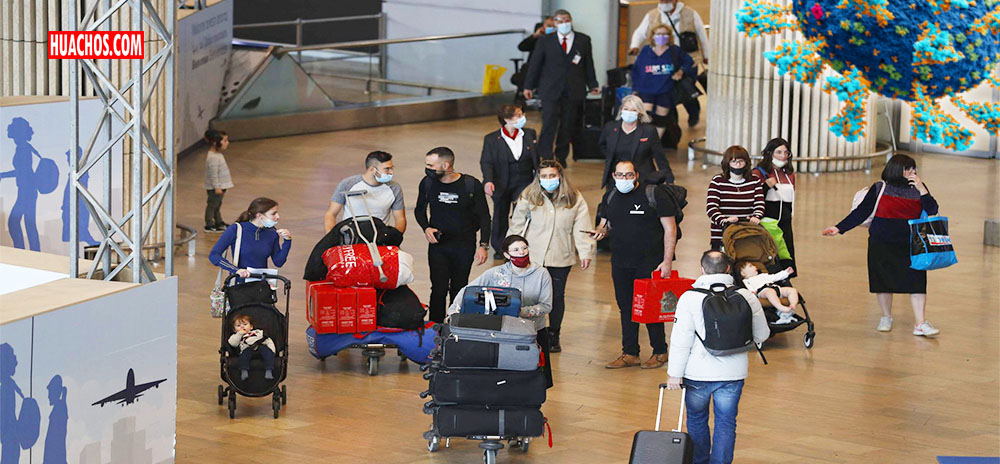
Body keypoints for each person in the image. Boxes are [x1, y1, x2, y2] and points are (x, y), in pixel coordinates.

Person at [665, 250, 770, 464]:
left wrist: (674, 374)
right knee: (726, 423)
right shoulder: (746, 296)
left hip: (697, 374)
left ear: (702, 269)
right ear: (728, 269)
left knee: (696, 419)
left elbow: (680, 341)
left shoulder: (689, 298)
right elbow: (762, 335)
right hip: (733, 373)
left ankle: (699, 461)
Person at [822, 154, 941, 337]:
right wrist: (839, 228)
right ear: (897, 170)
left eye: (914, 168)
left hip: (912, 244)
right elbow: (861, 212)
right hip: (882, 242)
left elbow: (932, 209)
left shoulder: (918, 188)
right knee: (883, 282)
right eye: (908, 169)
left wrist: (922, 189)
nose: (912, 172)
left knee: (917, 283)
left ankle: (920, 323)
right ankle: (886, 317)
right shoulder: (880, 188)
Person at [594, 160, 678, 369]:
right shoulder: (610, 196)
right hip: (620, 261)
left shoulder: (653, 194)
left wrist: (667, 261)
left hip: (649, 261)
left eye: (629, 175)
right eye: (620, 175)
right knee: (625, 307)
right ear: (614, 176)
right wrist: (599, 232)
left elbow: (670, 229)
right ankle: (630, 352)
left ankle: (660, 350)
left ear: (637, 175)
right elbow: (604, 224)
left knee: (650, 307)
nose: (624, 179)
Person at [508, 159, 595, 352]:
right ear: (538, 178)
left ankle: (554, 334)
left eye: (552, 175)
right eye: (544, 176)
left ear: (560, 176)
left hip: (561, 256)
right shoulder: (528, 195)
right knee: (529, 296)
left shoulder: (574, 197)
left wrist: (585, 252)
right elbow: (517, 225)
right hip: (533, 256)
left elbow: (582, 227)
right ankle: (529, 332)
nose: (549, 179)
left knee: (556, 296)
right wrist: (511, 250)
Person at [448, 235, 554, 387]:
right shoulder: (495, 273)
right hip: (504, 331)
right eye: (515, 250)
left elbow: (546, 305)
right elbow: (468, 290)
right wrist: (453, 311)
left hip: (533, 331)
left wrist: (520, 312)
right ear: (506, 254)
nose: (521, 252)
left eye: (524, 248)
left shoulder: (541, 274)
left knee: (536, 380)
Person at [416, 147, 491, 323]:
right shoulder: (427, 183)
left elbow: (484, 216)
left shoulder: (470, 185)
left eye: (431, 165)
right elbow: (419, 210)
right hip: (438, 246)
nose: (427, 169)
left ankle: (454, 324)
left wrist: (483, 245)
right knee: (438, 289)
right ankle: (435, 327)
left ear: (446, 165)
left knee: (459, 287)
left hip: (464, 245)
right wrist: (426, 228)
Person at [522, 9, 600, 166]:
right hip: (550, 89)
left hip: (574, 88)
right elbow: (535, 64)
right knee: (549, 122)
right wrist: (528, 86)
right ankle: (545, 155)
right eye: (560, 21)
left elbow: (588, 64)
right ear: (555, 23)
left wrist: (592, 83)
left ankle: (561, 156)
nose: (564, 23)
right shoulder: (545, 40)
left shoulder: (583, 40)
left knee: (567, 124)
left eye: (566, 20)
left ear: (571, 21)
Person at [628, 0, 710, 127]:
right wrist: (635, 46)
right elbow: (639, 32)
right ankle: (671, 125)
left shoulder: (690, 13)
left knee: (686, 90)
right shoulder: (652, 15)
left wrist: (707, 55)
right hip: (665, 61)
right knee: (669, 94)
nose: (664, 2)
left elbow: (702, 35)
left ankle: (693, 112)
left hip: (688, 60)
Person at [481, 104, 539, 259]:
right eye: (518, 115)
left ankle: (521, 243)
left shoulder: (529, 134)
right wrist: (488, 181)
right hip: (501, 182)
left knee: (522, 212)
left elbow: (536, 157)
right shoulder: (491, 139)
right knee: (500, 213)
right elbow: (486, 162)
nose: (522, 118)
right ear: (506, 119)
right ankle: (500, 247)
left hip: (524, 180)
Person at [630, 25, 694, 150]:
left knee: (661, 118)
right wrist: (635, 88)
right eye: (658, 34)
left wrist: (681, 71)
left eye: (665, 34)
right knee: (645, 117)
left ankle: (654, 146)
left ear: (669, 36)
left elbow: (689, 61)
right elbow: (636, 70)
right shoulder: (646, 51)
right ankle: (642, 144)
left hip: (665, 89)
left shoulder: (674, 51)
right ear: (652, 36)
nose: (661, 37)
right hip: (646, 89)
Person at [599, 95, 673, 189]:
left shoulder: (649, 131)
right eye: (626, 109)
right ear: (621, 110)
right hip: (617, 179)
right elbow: (602, 145)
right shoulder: (610, 128)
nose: (629, 112)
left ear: (640, 113)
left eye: (634, 110)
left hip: (643, 180)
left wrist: (669, 179)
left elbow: (659, 156)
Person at [209, 197, 292, 281]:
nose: (278, 216)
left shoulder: (272, 232)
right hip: (240, 284)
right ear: (259, 216)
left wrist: (287, 240)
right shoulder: (236, 229)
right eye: (273, 214)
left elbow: (278, 262)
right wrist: (235, 270)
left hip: (261, 284)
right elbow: (214, 255)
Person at [324, 150, 406, 233]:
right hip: (351, 235)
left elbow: (400, 219)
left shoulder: (394, 188)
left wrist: (396, 236)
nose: (391, 172)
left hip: (380, 236)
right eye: (387, 169)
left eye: (392, 168)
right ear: (372, 170)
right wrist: (331, 236)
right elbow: (331, 214)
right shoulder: (347, 184)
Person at [706, 145, 764, 251]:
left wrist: (756, 216)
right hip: (721, 234)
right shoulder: (717, 181)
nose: (738, 164)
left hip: (747, 232)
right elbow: (711, 208)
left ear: (746, 162)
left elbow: (759, 204)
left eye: (741, 161)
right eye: (733, 161)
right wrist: (724, 220)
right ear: (727, 163)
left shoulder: (754, 181)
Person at [754, 138, 797, 274]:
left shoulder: (789, 174)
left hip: (785, 221)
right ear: (770, 153)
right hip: (767, 221)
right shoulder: (758, 173)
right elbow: (753, 197)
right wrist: (766, 186)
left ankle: (785, 277)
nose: (783, 156)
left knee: (785, 251)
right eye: (779, 152)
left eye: (786, 152)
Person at [512, 16, 555, 101]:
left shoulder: (559, 40)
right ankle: (523, 101)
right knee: (523, 77)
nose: (551, 28)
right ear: (543, 27)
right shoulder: (538, 38)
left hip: (549, 71)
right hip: (533, 69)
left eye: (554, 26)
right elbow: (522, 47)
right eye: (549, 26)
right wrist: (535, 35)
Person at [228, 314, 277, 381]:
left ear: (251, 327)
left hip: (261, 346)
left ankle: (268, 371)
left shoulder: (258, 332)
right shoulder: (236, 336)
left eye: (245, 324)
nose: (242, 326)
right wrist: (239, 334)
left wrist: (272, 350)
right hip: (247, 349)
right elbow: (233, 344)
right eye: (238, 326)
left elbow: (267, 340)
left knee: (268, 353)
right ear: (234, 330)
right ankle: (244, 371)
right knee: (243, 357)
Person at [204, 129, 233, 233]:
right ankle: (209, 224)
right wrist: (217, 187)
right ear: (215, 142)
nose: (227, 143)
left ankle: (218, 221)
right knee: (212, 205)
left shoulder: (217, 155)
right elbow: (214, 175)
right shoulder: (213, 158)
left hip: (221, 186)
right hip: (216, 188)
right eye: (224, 141)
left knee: (217, 205)